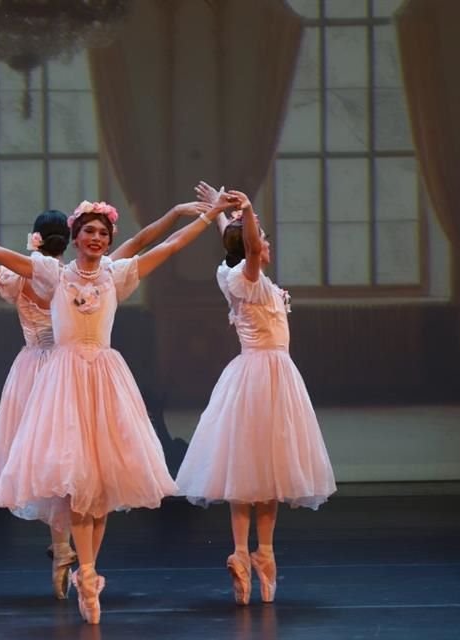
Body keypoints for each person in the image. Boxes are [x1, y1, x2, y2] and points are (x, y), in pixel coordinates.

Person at [0, 190, 240, 623]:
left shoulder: (116, 273)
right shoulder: (52, 275)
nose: (95, 238)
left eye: (102, 232)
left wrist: (207, 218)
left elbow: (164, 246)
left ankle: (86, 570)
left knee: (101, 484)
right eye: (88, 231)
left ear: (109, 239)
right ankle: (86, 575)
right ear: (74, 237)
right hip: (64, 378)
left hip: (105, 378)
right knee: (76, 481)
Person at [175, 190, 336, 606]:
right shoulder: (250, 280)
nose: (265, 243)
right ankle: (260, 553)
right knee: (261, 470)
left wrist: (218, 213)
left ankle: (248, 553)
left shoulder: (230, 277)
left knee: (251, 473)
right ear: (251, 247)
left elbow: (235, 245)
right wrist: (243, 211)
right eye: (261, 238)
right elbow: (244, 247)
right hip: (267, 376)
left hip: (257, 378)